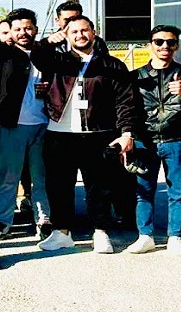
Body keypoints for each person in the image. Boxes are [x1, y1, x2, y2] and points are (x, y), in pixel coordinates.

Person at [30, 15, 141, 254]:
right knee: (58, 185)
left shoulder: (112, 65)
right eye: (74, 32)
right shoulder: (59, 61)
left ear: (94, 32)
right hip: (60, 134)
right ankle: (61, 233)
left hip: (98, 134)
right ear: (67, 36)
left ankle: (100, 232)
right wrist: (49, 41)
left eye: (85, 30)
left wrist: (126, 132)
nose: (80, 35)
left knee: (99, 186)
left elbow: (125, 102)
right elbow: (37, 56)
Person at [128, 25, 181, 256]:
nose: (165, 46)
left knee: (179, 191)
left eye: (171, 42)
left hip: (177, 140)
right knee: (143, 191)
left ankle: (176, 237)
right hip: (145, 141)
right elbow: (126, 109)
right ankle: (145, 236)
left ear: (177, 46)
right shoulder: (136, 76)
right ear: (150, 44)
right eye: (159, 42)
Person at [0, 8, 52, 239]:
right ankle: (3, 220)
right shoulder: (6, 54)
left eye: (28, 28)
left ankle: (44, 219)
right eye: (18, 29)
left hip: (44, 125)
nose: (23, 33)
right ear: (10, 31)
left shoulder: (46, 54)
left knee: (40, 177)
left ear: (36, 30)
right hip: (11, 125)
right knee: (7, 177)